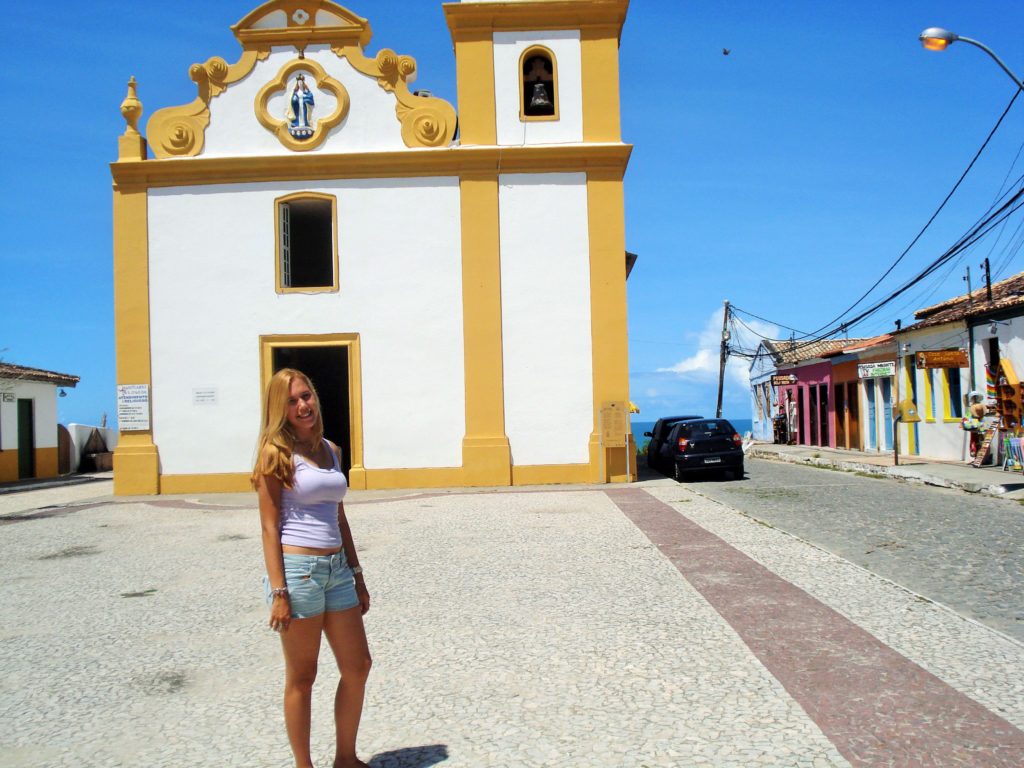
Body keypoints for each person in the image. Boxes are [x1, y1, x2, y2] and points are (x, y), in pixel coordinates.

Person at [252, 368, 371, 768]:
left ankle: (345, 758)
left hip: (337, 570)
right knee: (302, 678)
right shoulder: (276, 455)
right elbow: (269, 526)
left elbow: (339, 517)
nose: (303, 405)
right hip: (299, 572)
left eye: (306, 396)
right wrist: (278, 592)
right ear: (279, 410)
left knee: (358, 666)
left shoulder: (332, 449)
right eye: (292, 400)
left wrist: (357, 574)